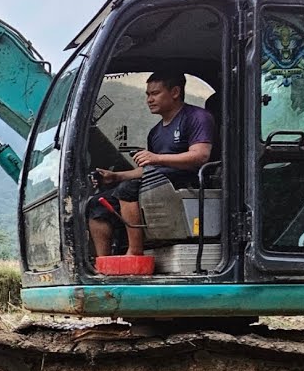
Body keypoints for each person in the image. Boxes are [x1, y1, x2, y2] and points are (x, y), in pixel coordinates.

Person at [91, 70, 216, 258]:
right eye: (147, 95)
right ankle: (103, 262)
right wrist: (115, 177)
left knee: (128, 189)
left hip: (188, 180)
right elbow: (149, 169)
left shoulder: (197, 117)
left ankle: (135, 253)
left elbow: (200, 156)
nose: (149, 99)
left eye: (155, 93)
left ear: (175, 92)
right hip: (158, 180)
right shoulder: (155, 132)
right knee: (96, 205)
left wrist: (156, 158)